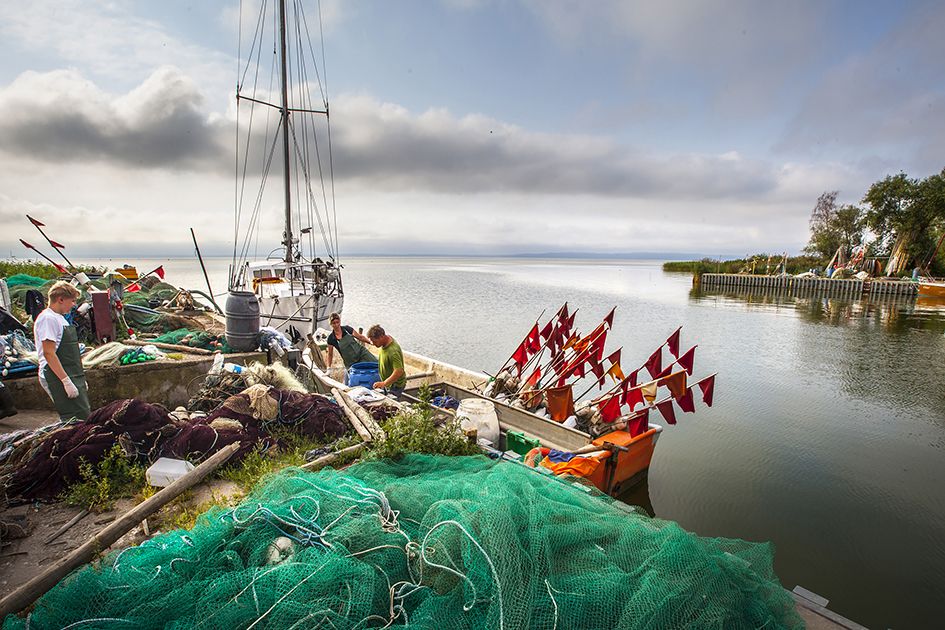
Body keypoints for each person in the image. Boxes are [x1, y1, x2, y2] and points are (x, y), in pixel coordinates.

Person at [34, 281, 90, 421]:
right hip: (55, 374)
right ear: (60, 299)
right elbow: (49, 353)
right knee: (73, 418)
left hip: (69, 371)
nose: (74, 305)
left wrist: (78, 378)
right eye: (72, 301)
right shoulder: (48, 319)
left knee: (82, 414)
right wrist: (66, 381)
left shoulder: (60, 318)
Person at [367, 324, 406, 400]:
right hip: (387, 383)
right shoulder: (384, 342)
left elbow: (399, 371)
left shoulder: (393, 352)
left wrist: (384, 383)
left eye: (375, 342)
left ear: (382, 336)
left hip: (394, 385)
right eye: (372, 342)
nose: (374, 344)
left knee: (392, 407)